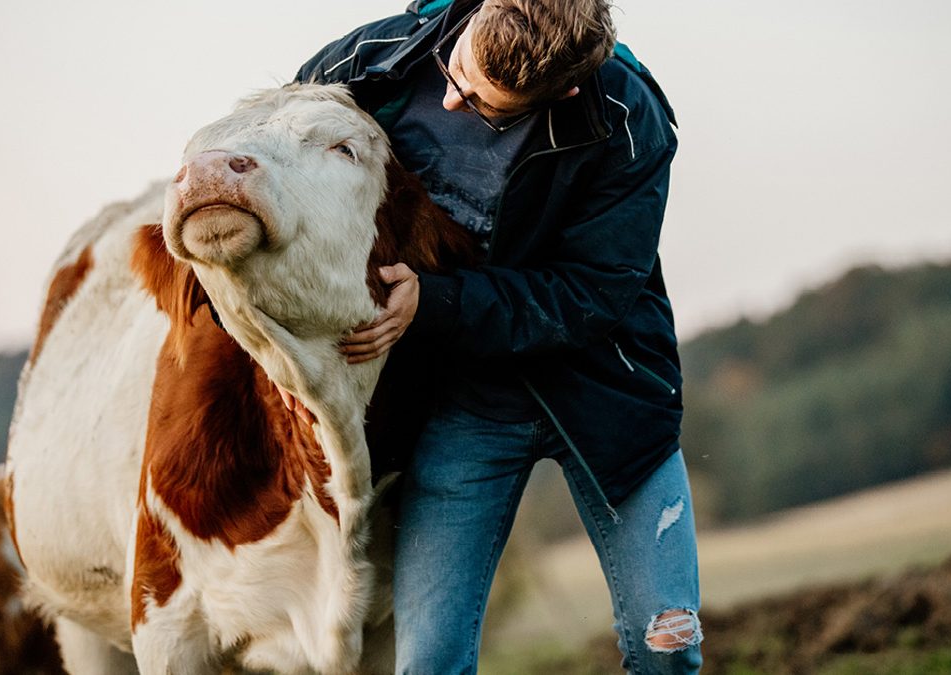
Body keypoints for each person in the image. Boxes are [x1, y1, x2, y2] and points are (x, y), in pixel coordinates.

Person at [296, 0, 702, 672]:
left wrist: (435, 302)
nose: (453, 100)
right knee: (427, 663)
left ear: (564, 94)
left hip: (609, 397)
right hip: (466, 402)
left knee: (669, 645)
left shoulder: (632, 119)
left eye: (487, 106)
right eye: (457, 71)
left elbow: (588, 295)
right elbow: (283, 141)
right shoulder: (381, 56)